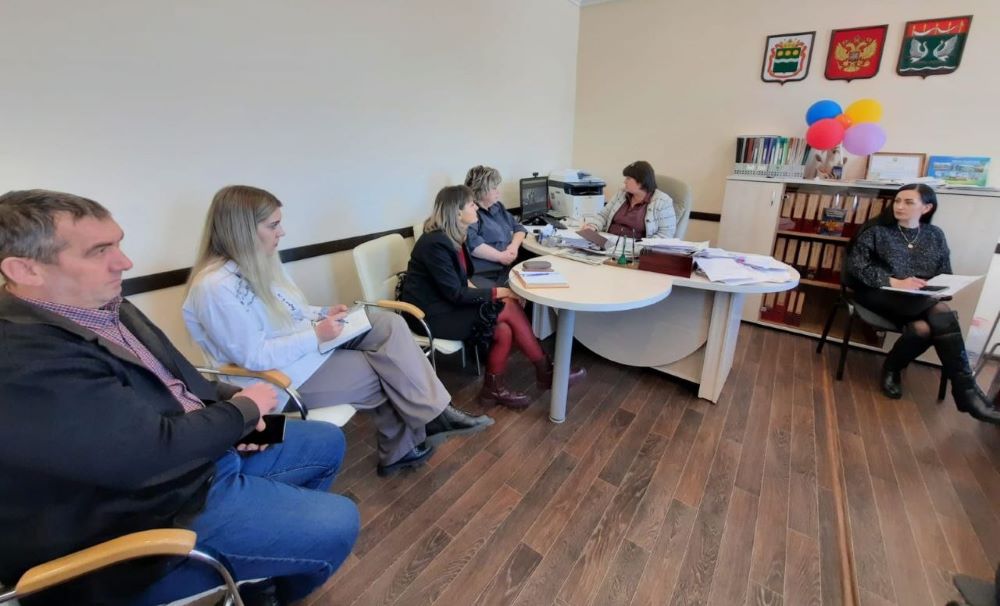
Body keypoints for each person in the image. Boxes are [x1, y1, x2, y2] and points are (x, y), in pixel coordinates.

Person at [0, 189, 358, 606]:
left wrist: (233, 406)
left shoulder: (108, 306)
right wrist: (242, 411)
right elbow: (149, 455)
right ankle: (270, 582)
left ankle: (261, 572)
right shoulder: (25, 359)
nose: (124, 262)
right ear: (25, 269)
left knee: (326, 441)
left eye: (118, 243)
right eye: (99, 251)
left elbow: (181, 381)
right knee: (340, 521)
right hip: (155, 508)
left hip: (198, 454)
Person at [183, 185, 493, 477]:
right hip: (278, 378)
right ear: (243, 230)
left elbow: (291, 311)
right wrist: (317, 335)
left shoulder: (254, 265)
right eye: (273, 225)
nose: (282, 232)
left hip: (307, 351)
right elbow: (254, 356)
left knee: (389, 323)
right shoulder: (215, 288)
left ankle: (432, 416)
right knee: (385, 369)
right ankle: (408, 441)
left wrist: (322, 313)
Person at [399, 185, 586, 409]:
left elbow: (462, 282)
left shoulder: (455, 236)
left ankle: (493, 390)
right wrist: (502, 292)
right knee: (508, 304)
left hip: (447, 304)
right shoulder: (435, 243)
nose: (476, 207)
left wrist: (492, 296)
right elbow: (456, 293)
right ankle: (545, 371)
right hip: (429, 314)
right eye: (471, 204)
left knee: (503, 329)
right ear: (457, 212)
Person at [846, 183, 999, 424]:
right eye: (897, 201)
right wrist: (895, 281)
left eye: (908, 202)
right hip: (878, 293)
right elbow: (856, 267)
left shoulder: (935, 235)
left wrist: (940, 287)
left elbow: (944, 272)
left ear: (926, 208)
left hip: (918, 299)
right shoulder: (876, 231)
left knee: (923, 329)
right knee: (941, 313)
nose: (899, 206)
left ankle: (892, 367)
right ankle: (966, 392)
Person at [464, 165, 528, 286]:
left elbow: (519, 228)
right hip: (484, 275)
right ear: (481, 190)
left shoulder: (497, 207)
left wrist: (514, 246)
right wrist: (500, 256)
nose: (498, 191)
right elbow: (472, 244)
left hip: (507, 269)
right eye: (494, 188)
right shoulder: (471, 212)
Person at [582, 160, 677, 239]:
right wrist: (592, 226)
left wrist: (643, 247)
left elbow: (665, 234)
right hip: (608, 242)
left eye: (628, 178)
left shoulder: (663, 201)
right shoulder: (621, 194)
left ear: (641, 181)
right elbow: (603, 216)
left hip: (635, 249)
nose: (624, 181)